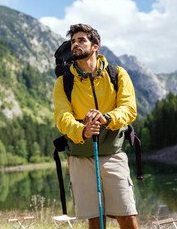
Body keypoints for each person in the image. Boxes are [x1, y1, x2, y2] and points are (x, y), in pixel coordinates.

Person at [53, 23, 139, 229]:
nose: (75, 44)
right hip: (80, 157)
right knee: (95, 218)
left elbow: (129, 109)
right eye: (73, 41)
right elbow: (62, 117)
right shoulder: (64, 82)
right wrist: (82, 130)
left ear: (95, 46)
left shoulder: (117, 74)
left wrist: (107, 118)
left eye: (81, 40)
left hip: (113, 154)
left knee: (126, 215)